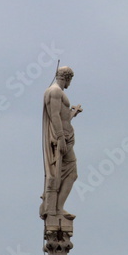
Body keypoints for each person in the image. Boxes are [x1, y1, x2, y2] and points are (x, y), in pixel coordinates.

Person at [41, 66, 82, 228]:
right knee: (71, 173)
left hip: (65, 137)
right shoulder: (55, 92)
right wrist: (60, 138)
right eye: (70, 80)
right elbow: (55, 116)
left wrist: (72, 114)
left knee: (70, 173)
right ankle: (57, 207)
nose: (70, 84)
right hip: (61, 139)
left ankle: (58, 207)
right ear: (67, 77)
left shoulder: (55, 92)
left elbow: (62, 116)